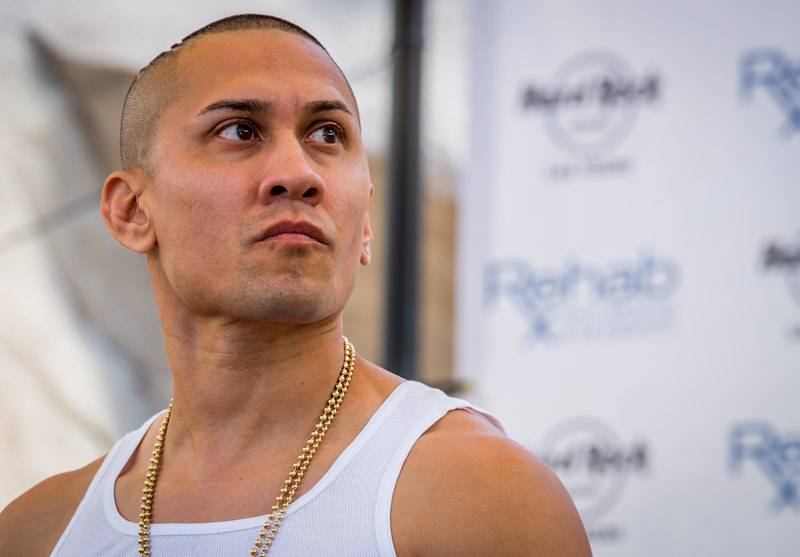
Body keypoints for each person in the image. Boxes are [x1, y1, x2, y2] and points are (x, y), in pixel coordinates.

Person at [0, 14, 591, 557]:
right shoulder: (41, 531)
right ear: (132, 210)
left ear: (365, 223)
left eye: (327, 134)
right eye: (239, 130)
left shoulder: (474, 492)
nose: (298, 173)